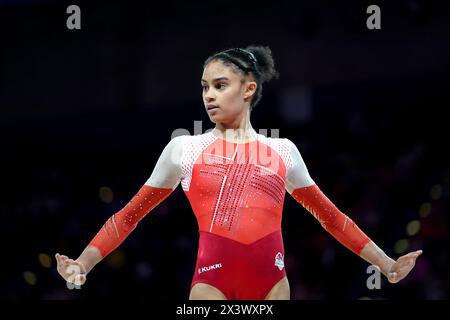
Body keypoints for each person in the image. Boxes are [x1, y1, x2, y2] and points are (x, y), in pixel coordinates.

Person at [55, 46, 422, 300]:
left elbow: (331, 218)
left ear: (248, 89)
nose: (208, 96)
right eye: (204, 87)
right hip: (210, 283)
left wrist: (386, 264)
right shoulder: (184, 149)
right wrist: (82, 263)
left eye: (219, 85)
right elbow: (129, 216)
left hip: (273, 285)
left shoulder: (282, 151)